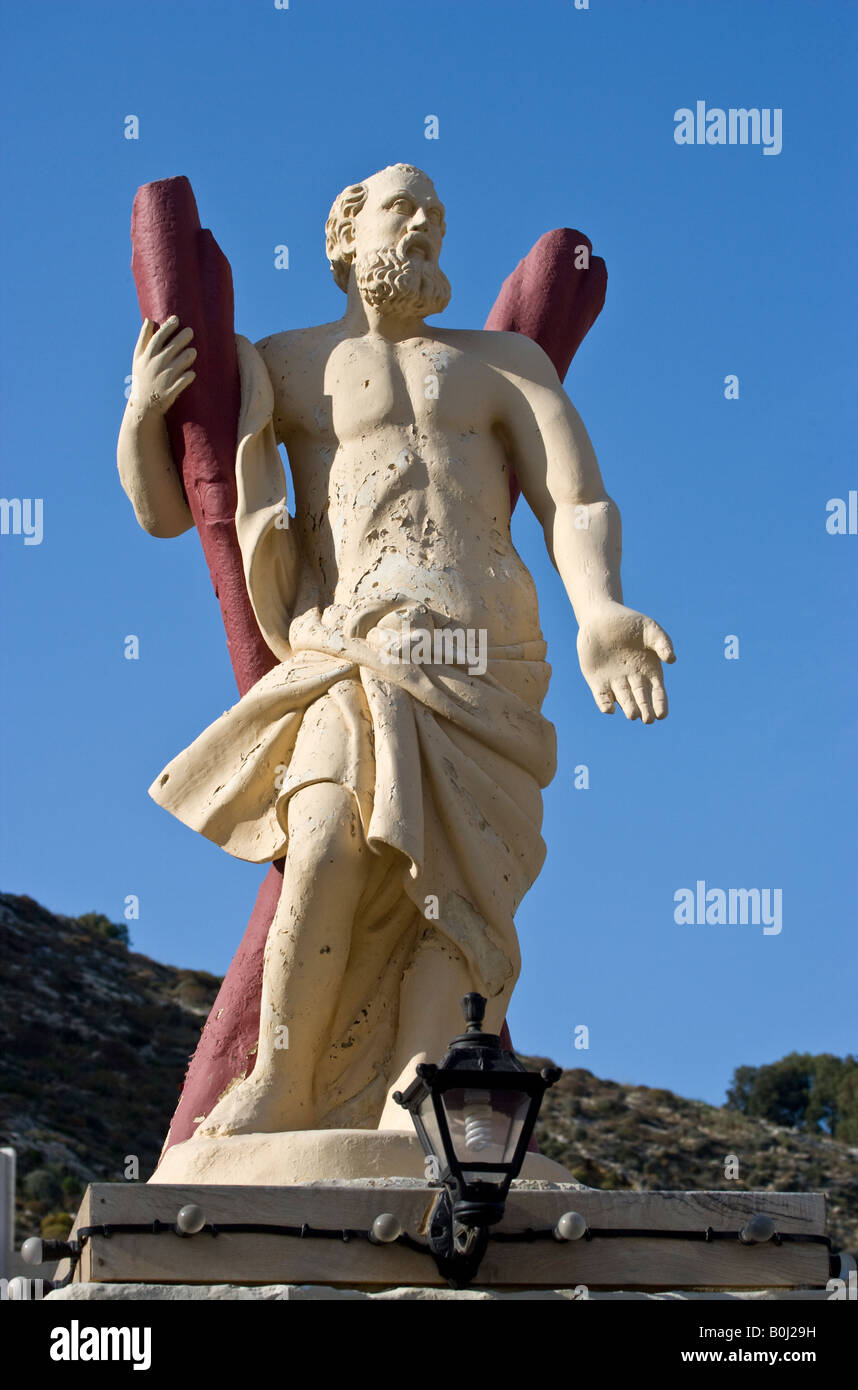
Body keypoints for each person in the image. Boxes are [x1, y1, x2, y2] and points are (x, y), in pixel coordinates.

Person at [117, 163, 675, 1137]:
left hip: (484, 664)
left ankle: (414, 1108)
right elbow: (179, 510)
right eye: (399, 209)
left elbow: (573, 499)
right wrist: (138, 414)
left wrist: (601, 610)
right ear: (343, 235)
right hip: (351, 654)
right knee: (325, 840)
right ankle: (279, 1086)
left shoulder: (501, 363)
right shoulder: (282, 367)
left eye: (435, 216)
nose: (421, 226)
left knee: (461, 901)